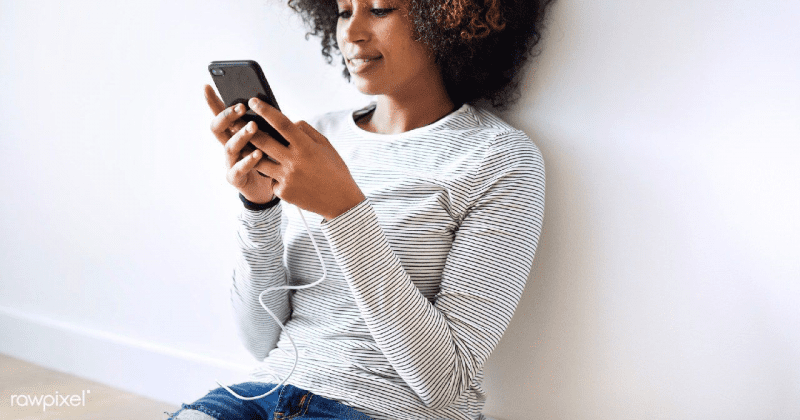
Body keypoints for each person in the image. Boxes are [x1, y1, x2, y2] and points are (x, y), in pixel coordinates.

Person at [167, 0, 554, 419]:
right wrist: (258, 208)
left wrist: (344, 211)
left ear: (446, 18)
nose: (351, 34)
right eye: (343, 11)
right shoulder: (316, 138)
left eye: (380, 9)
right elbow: (261, 341)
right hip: (264, 392)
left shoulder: (499, 159)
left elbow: (443, 381)